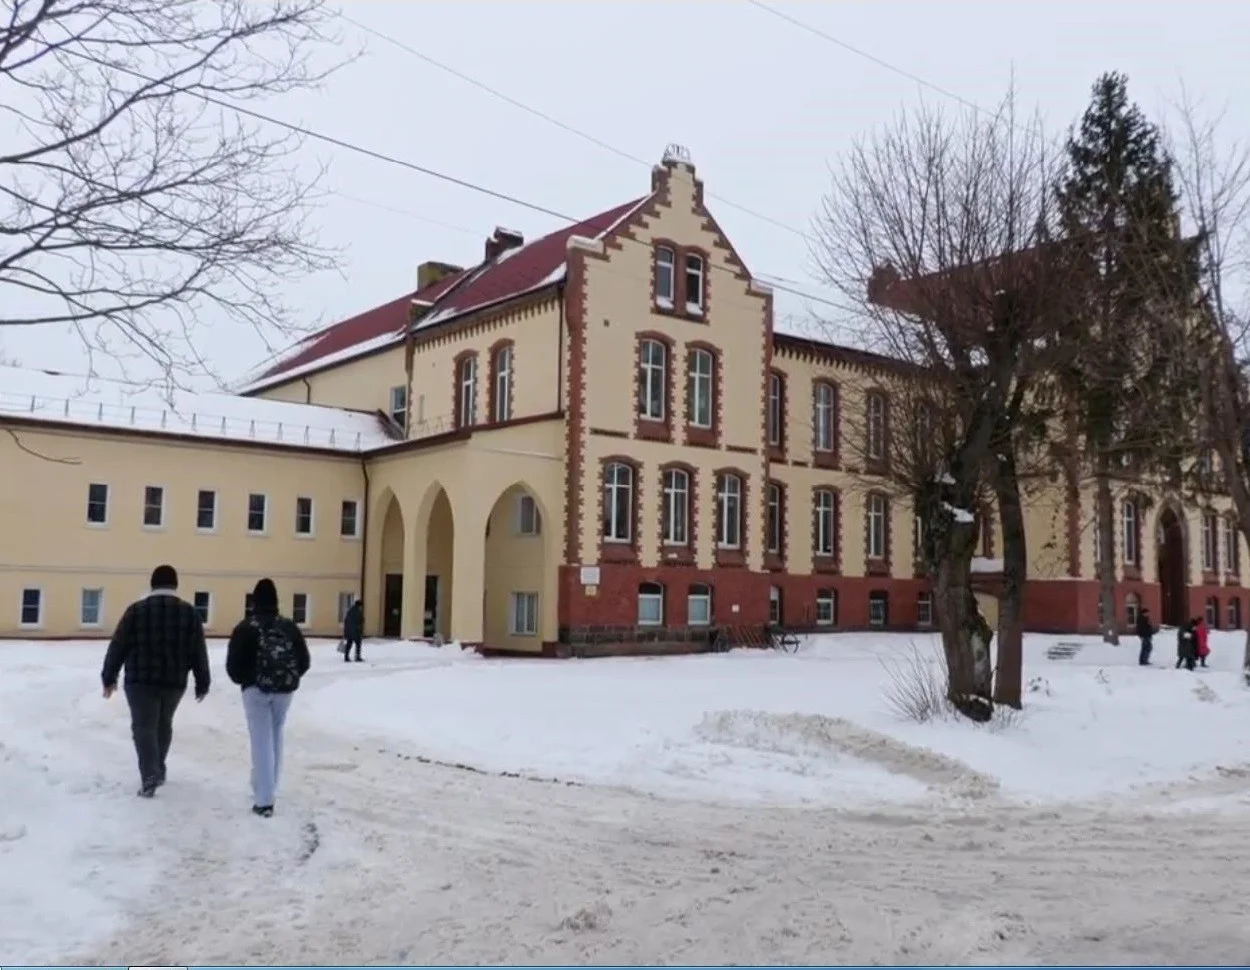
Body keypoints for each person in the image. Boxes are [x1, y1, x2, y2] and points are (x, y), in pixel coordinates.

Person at [101, 564, 210, 798]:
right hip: (174, 681)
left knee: (143, 727)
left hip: (140, 681)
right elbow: (198, 651)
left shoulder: (135, 611)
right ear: (175, 584)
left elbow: (118, 646)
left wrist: (109, 677)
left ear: (152, 584)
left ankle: (150, 773)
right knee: (163, 723)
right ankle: (157, 768)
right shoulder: (190, 613)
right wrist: (203, 681)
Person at [226, 578, 310, 818]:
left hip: (255, 690)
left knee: (260, 740)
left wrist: (247, 679)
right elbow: (304, 661)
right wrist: (287, 678)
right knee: (276, 735)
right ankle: (269, 786)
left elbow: (233, 666)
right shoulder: (289, 627)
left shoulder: (246, 627)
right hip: (284, 691)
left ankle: (264, 800)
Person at [342, 598, 364, 663]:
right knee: (358, 644)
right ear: (359, 606)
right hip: (356, 631)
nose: (361, 608)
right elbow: (360, 621)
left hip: (349, 631)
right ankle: (357, 657)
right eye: (361, 606)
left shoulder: (350, 611)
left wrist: (345, 631)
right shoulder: (358, 612)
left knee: (349, 644)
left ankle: (346, 657)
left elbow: (346, 621)